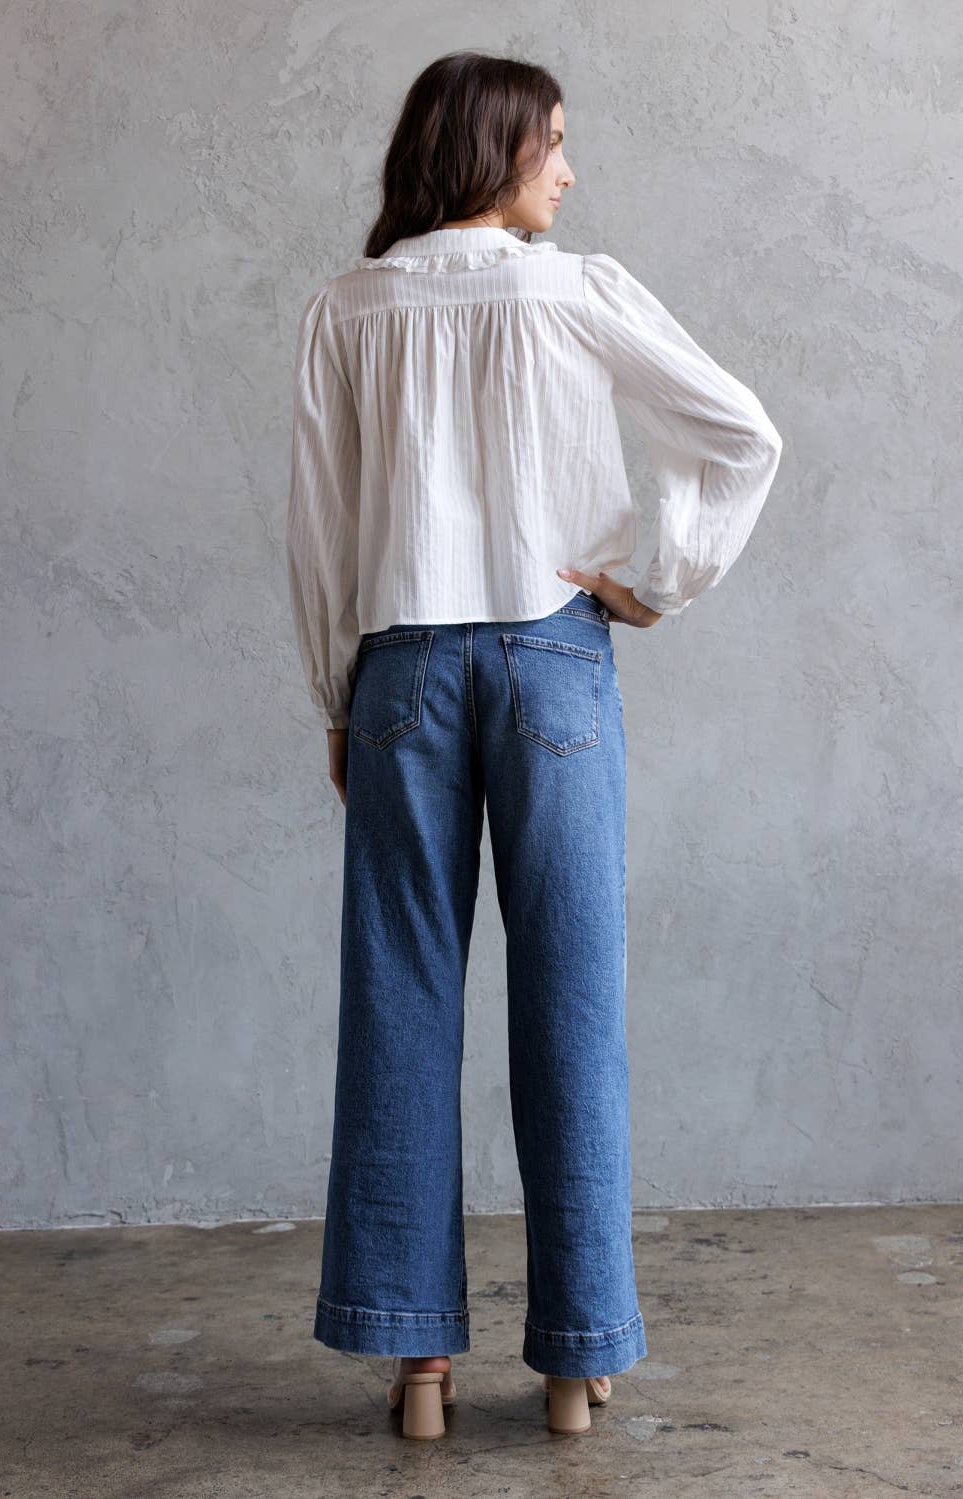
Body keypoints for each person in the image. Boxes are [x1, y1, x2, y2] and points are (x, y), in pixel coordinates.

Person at [286, 51, 783, 1440]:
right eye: (554, 145)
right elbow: (741, 432)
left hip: (403, 673)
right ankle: (574, 1365)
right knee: (573, 999)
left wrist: (339, 696)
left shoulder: (349, 309)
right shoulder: (573, 289)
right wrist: (650, 576)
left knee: (399, 998)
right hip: (554, 659)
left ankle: (419, 1368)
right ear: (496, 149)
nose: (569, 171)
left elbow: (320, 531)